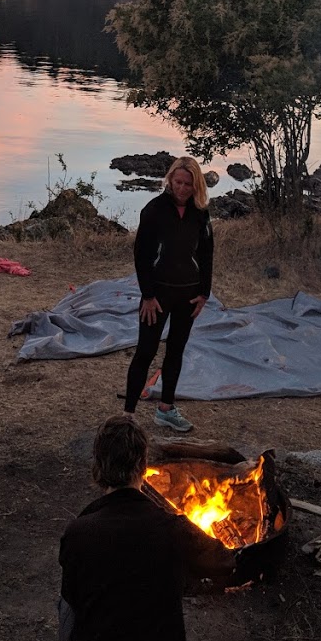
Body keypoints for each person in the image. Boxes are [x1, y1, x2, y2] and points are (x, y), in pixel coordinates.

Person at [58, 414, 233, 641]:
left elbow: (70, 613)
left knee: (69, 608)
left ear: (98, 466)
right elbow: (226, 558)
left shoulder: (78, 533)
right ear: (144, 464)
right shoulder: (173, 530)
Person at [124, 156, 213, 433]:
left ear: (196, 184)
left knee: (176, 351)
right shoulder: (154, 210)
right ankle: (127, 415)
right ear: (169, 180)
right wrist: (148, 295)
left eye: (189, 183)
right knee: (145, 352)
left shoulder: (201, 211)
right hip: (158, 295)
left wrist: (204, 293)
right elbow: (141, 256)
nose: (183, 188)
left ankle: (166, 409)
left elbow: (207, 252)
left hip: (188, 295)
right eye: (178, 182)